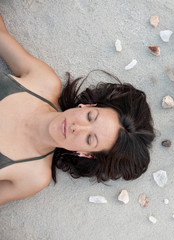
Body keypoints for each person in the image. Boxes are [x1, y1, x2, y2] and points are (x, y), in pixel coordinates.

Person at [0, 13, 155, 206]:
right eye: (90, 117)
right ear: (88, 105)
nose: (77, 127)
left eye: (90, 139)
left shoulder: (33, 175)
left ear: (86, 154)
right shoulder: (44, 83)